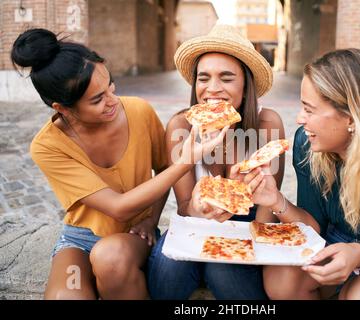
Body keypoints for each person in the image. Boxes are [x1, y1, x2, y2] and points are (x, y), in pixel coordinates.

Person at [10, 28, 227, 300]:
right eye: (97, 99)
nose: (113, 100)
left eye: (110, 85)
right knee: (68, 294)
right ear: (62, 108)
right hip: (79, 241)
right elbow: (117, 207)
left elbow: (162, 169)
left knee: (110, 258)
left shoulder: (138, 111)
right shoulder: (47, 146)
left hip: (133, 237)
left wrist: (150, 219)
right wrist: (185, 161)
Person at [235, 48, 360, 300]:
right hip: (328, 244)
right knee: (281, 280)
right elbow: (313, 226)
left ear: (352, 116)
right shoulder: (306, 144)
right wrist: (276, 201)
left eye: (309, 110)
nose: (300, 119)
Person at [147, 24, 286, 299]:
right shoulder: (181, 127)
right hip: (194, 223)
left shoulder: (268, 124)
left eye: (226, 78)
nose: (212, 89)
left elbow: (267, 208)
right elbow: (185, 207)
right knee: (167, 273)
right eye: (203, 78)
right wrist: (199, 209)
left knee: (224, 270)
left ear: (246, 86)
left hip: (247, 225)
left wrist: (249, 248)